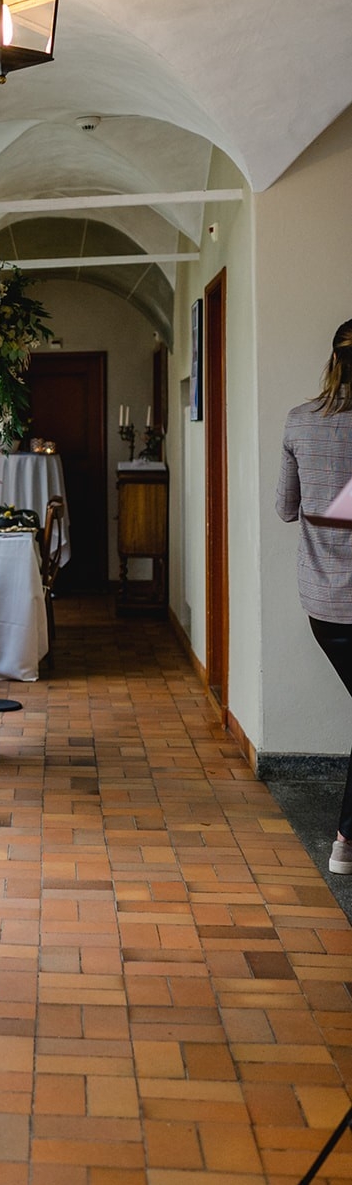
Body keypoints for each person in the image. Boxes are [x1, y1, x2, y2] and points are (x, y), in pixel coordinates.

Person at [276, 319, 352, 873]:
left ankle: (346, 840)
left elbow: (285, 508)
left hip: (324, 603)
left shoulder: (300, 421)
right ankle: (345, 839)